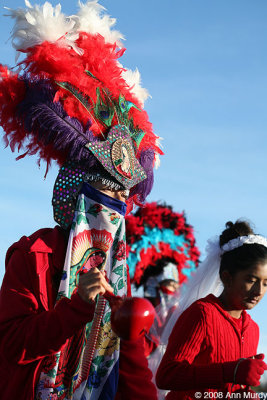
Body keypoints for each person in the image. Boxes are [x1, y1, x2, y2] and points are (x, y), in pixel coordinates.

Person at [0, 1, 162, 399]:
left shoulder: (120, 264)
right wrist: (73, 309)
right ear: (78, 195)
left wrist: (133, 335)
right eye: (109, 193)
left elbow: (131, 382)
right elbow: (10, 347)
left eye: (124, 197)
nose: (117, 209)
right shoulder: (33, 254)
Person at [156, 220, 267, 399]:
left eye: (266, 283)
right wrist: (229, 371)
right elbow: (167, 375)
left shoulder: (253, 329)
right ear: (227, 277)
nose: (259, 291)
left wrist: (245, 393)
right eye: (251, 280)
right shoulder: (202, 313)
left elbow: (230, 388)